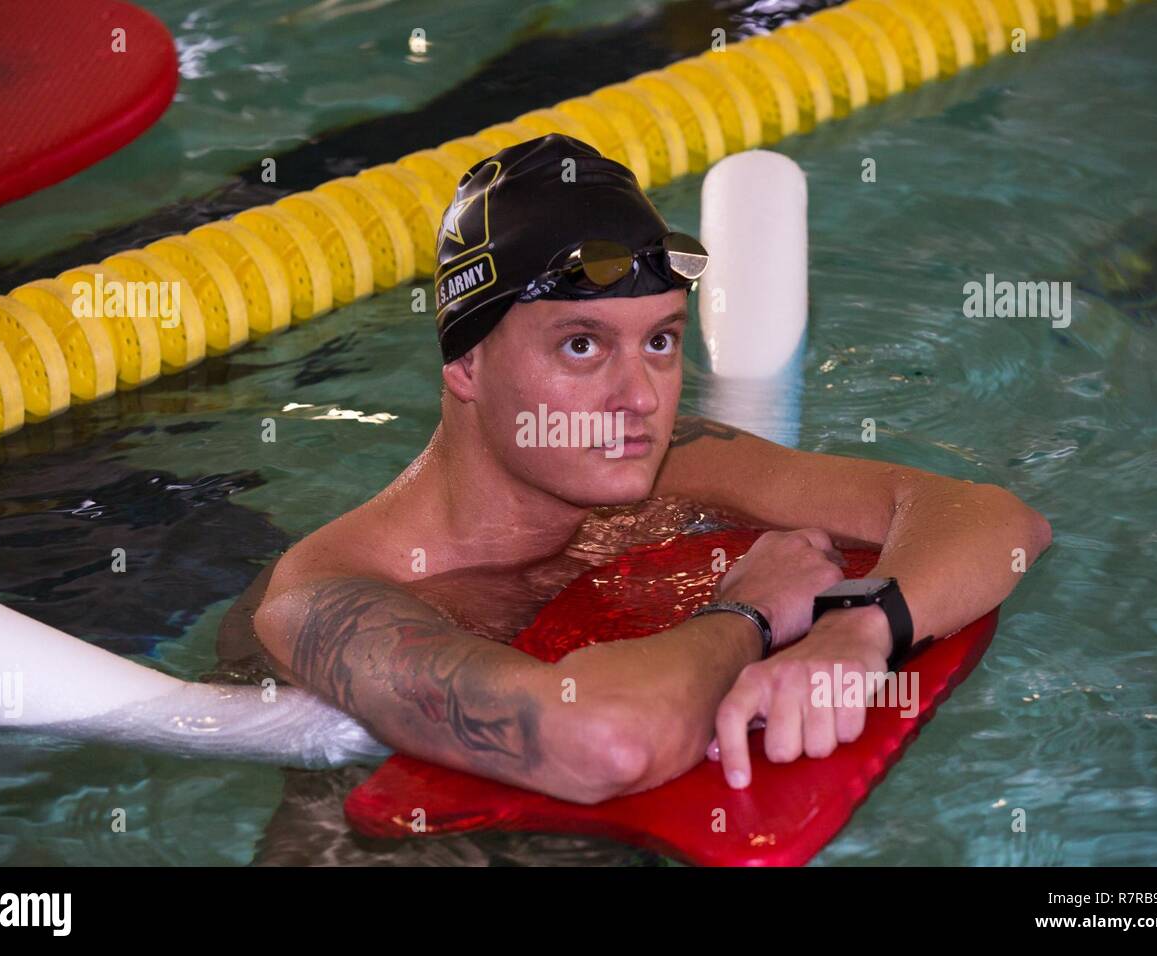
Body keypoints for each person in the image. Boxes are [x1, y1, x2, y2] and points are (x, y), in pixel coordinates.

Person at [246, 134, 1052, 804]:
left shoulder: (673, 467)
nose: (640, 399)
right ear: (466, 366)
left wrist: (856, 629)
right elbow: (603, 741)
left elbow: (995, 519)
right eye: (582, 344)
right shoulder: (327, 600)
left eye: (661, 340)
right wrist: (752, 615)